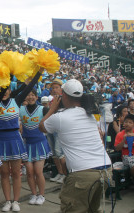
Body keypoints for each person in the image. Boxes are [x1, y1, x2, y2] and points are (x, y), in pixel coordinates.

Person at [39, 79, 112, 213]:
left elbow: (42, 126)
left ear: (64, 95)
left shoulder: (60, 117)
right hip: (106, 170)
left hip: (82, 174)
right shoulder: (89, 114)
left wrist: (52, 109)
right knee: (93, 209)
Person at [0, 71, 42, 212]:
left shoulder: (16, 101)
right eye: (1, 89)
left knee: (16, 172)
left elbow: (29, 86)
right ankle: (7, 201)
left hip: (15, 139)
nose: (4, 92)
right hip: (1, 140)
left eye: (7, 89)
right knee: (4, 173)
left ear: (11, 90)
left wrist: (39, 72)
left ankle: (16, 201)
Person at [20, 89, 52, 205]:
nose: (30, 97)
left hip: (40, 143)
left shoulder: (42, 109)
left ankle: (41, 195)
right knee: (29, 172)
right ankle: (33, 194)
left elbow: (54, 113)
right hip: (27, 144)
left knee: (38, 172)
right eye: (28, 95)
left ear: (37, 97)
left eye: (33, 95)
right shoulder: (21, 110)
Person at [47, 79, 67, 184]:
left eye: (56, 87)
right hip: (51, 128)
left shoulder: (64, 100)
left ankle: (65, 174)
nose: (54, 90)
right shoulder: (52, 101)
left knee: (59, 152)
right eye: (53, 88)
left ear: (61, 89)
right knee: (54, 153)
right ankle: (60, 173)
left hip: (60, 129)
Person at [115, 114, 134, 178]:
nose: (127, 124)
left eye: (130, 122)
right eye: (126, 122)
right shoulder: (120, 134)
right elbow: (117, 149)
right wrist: (123, 140)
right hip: (126, 157)